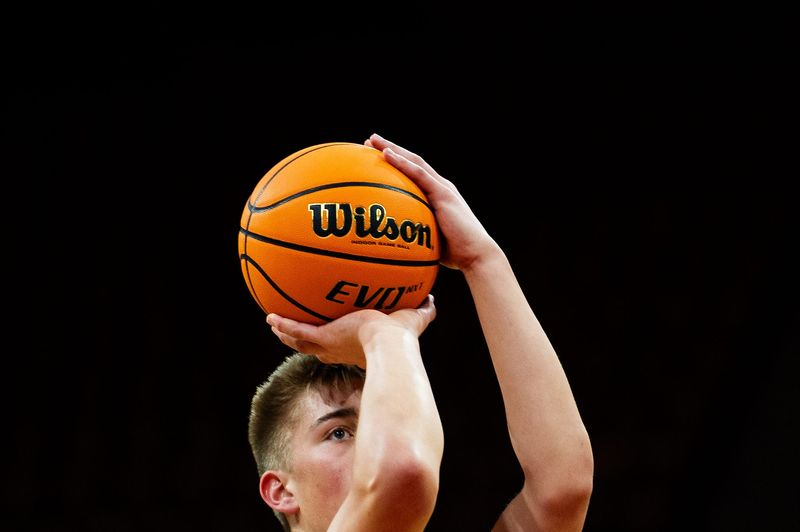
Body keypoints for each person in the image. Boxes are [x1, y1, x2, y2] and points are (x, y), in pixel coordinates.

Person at [247, 133, 594, 531]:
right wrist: (383, 334)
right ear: (281, 491)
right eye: (339, 432)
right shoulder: (397, 460)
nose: (375, 440)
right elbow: (402, 474)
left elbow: (562, 487)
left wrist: (483, 260)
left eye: (380, 418)